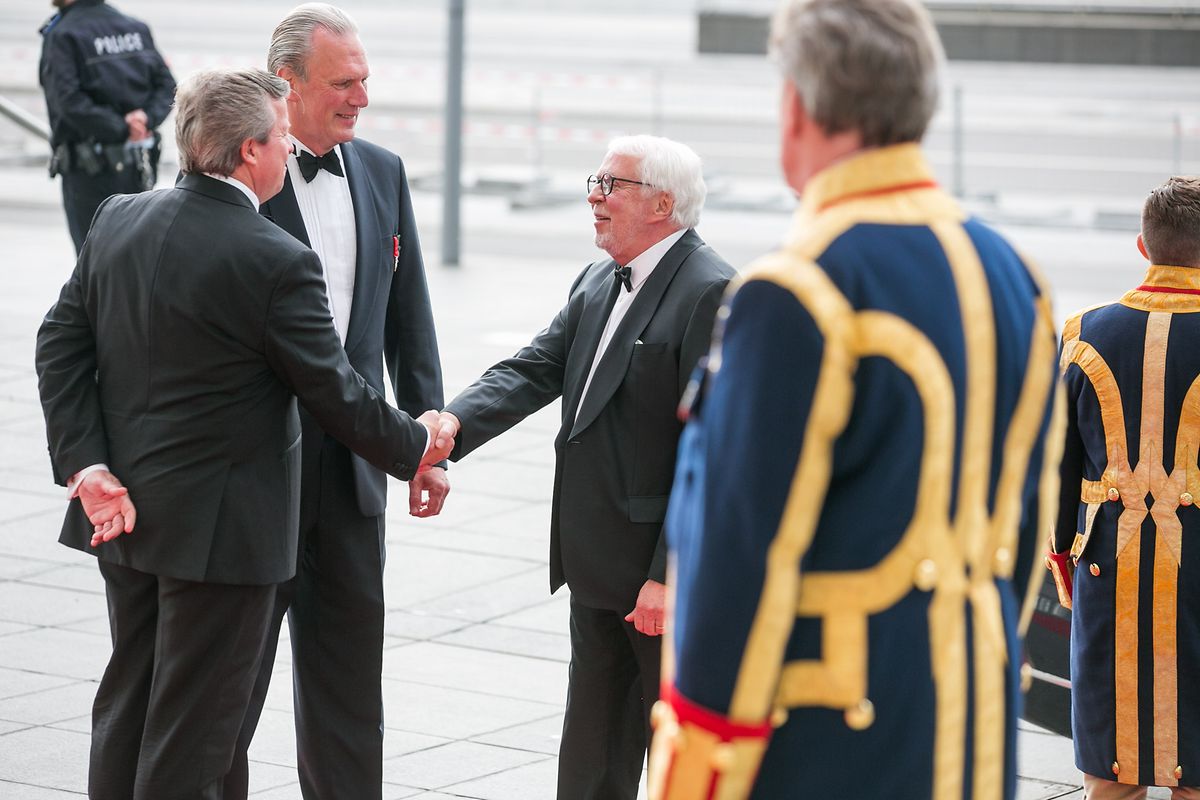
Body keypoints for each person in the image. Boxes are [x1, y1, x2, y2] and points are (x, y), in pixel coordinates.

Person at [646, 1, 1062, 798]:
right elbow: (1020, 524)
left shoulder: (797, 287)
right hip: (964, 730)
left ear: (798, 106)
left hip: (827, 745)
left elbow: (734, 555)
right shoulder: (1014, 273)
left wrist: (694, 770)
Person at [34, 67, 453, 800]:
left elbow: (59, 345)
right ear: (253, 151)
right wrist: (418, 445)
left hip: (127, 516)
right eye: (282, 139)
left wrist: (88, 465)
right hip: (224, 539)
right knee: (196, 736)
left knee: (128, 709)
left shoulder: (117, 218)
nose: (290, 150)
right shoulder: (275, 259)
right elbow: (333, 389)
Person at [434, 135, 735, 799]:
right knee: (593, 749)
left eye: (611, 185)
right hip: (595, 563)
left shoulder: (710, 291)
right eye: (594, 182)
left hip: (658, 581)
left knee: (684, 761)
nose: (593, 197)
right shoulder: (599, 276)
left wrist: (668, 577)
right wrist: (452, 425)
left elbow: (715, 455)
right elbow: (535, 367)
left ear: (662, 204)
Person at [227, 6, 448, 797]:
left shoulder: (383, 172)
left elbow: (408, 316)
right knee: (230, 698)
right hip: (258, 481)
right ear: (285, 85)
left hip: (357, 477)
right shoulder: (235, 181)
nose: (360, 98)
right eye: (343, 83)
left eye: (365, 81)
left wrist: (428, 440)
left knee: (351, 695)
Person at [1047, 176, 1200, 800]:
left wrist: (1063, 560)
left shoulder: (1083, 332)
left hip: (1109, 568)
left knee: (1112, 773)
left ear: (1143, 246)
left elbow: (1057, 470)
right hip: (1197, 567)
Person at [38, 0, 176, 253]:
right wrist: (144, 119)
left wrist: (122, 127)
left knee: (94, 263)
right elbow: (167, 86)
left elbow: (68, 102)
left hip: (90, 172)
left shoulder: (63, 34)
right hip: (139, 166)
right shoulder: (134, 27)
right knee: (135, 259)